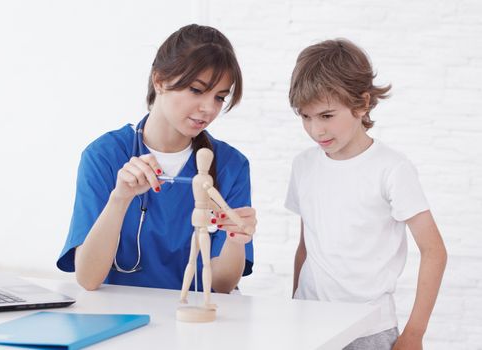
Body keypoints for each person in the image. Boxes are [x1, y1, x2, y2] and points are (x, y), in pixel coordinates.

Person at [57, 24, 257, 295]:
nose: (209, 108)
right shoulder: (104, 156)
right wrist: (120, 199)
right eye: (197, 90)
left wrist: (236, 240)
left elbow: (221, 287)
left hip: (197, 320)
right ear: (160, 80)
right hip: (121, 318)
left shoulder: (231, 165)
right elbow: (88, 279)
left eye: (220, 97)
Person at [285, 39, 447, 350]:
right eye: (306, 117)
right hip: (309, 325)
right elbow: (306, 246)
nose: (316, 130)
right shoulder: (304, 165)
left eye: (327, 116)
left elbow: (434, 251)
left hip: (368, 331)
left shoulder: (392, 169)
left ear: (361, 104)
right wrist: (295, 307)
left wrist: (414, 334)